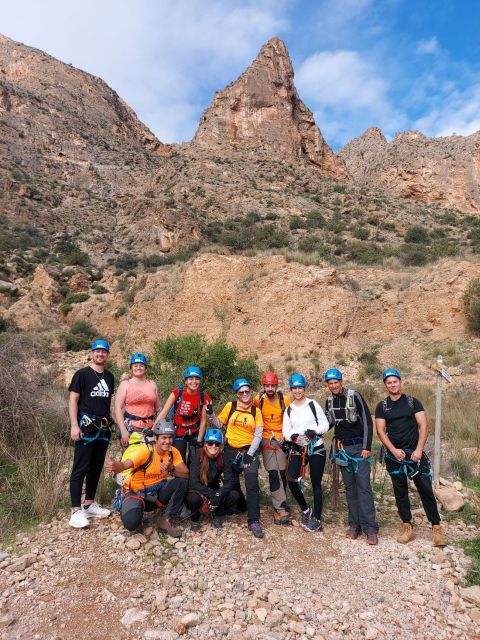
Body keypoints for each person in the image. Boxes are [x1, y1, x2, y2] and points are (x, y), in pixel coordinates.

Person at [375, 368, 446, 547]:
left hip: (416, 455)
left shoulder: (412, 402)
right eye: (389, 382)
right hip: (395, 457)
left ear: (400, 382)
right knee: (400, 492)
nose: (392, 384)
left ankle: (436, 528)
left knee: (425, 490)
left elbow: (423, 426)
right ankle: (407, 526)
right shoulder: (382, 406)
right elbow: (380, 431)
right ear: (385, 385)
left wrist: (419, 450)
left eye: (395, 381)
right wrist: (393, 450)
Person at [105, 420, 189, 538]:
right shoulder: (145, 451)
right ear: (156, 438)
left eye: (170, 438)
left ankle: (167, 520)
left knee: (182, 482)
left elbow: (185, 473)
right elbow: (125, 465)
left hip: (156, 494)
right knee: (131, 523)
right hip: (136, 494)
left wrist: (172, 468)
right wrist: (116, 466)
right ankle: (134, 512)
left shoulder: (173, 452)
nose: (168, 441)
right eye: (164, 438)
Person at [324, 368, 378, 545]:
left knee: (363, 487)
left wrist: (366, 447)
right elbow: (328, 423)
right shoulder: (330, 401)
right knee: (349, 488)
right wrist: (311, 432)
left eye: (336, 382)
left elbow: (367, 421)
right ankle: (354, 525)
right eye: (330, 383)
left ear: (341, 381)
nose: (334, 386)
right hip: (342, 449)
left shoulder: (355, 396)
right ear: (328, 385)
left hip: (359, 448)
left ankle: (370, 528)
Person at [208, 378, 265, 538]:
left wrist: (249, 454)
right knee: (230, 483)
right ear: (237, 394)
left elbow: (258, 435)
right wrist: (211, 415)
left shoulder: (256, 411)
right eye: (242, 392)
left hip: (249, 451)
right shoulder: (230, 406)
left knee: (252, 484)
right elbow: (219, 425)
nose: (245, 394)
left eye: (247, 391)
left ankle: (254, 521)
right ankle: (230, 509)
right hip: (231, 450)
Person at [68, 339, 115, 528]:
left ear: (108, 355)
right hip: (85, 427)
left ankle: (89, 504)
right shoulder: (82, 375)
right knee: (80, 467)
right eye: (97, 351)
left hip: (103, 428)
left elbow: (106, 403)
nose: (100, 354)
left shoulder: (110, 377)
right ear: (92, 353)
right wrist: (74, 425)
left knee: (96, 467)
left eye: (104, 352)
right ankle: (75, 510)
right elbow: (73, 400)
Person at [282, 373, 329, 533]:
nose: (297, 390)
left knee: (316, 483)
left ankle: (317, 519)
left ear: (304, 388)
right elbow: (286, 430)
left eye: (300, 387)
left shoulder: (313, 404)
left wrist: (314, 431)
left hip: (315, 447)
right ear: (291, 389)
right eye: (294, 388)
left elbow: (325, 423)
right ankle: (305, 510)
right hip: (298, 448)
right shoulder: (288, 410)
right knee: (291, 480)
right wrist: (292, 436)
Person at [253, 371, 292, 525]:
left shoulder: (285, 400)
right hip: (266, 439)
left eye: (272, 386)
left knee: (283, 473)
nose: (269, 388)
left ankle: (280, 503)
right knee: (273, 472)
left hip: (281, 439)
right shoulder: (258, 400)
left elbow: (291, 419)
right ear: (263, 386)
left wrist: (286, 433)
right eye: (267, 385)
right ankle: (280, 508)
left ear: (276, 386)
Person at [186, 428, 240, 531]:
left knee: (234, 495)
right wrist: (210, 493)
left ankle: (217, 513)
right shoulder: (198, 457)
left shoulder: (223, 458)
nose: (213, 446)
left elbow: (229, 482)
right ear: (205, 444)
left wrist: (218, 494)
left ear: (221, 446)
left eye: (217, 444)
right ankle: (195, 519)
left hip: (215, 488)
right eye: (210, 443)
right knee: (193, 499)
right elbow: (193, 482)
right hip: (200, 489)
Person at [154, 366, 211, 463]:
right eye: (191, 379)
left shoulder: (204, 397)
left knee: (195, 461)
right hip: (179, 431)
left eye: (197, 379)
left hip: (196, 431)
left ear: (200, 381)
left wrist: (199, 441)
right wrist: (153, 430)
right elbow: (164, 412)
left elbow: (203, 421)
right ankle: (181, 478)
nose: (194, 381)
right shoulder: (177, 393)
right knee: (179, 461)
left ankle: (193, 477)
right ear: (185, 381)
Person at [114, 353, 162, 445]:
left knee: (149, 457)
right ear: (131, 367)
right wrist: (123, 431)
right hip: (131, 428)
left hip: (150, 429)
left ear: (145, 368)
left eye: (141, 365)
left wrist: (156, 427)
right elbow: (117, 408)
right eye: (135, 365)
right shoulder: (125, 384)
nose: (138, 368)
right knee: (131, 457)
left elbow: (159, 408)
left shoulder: (152, 384)